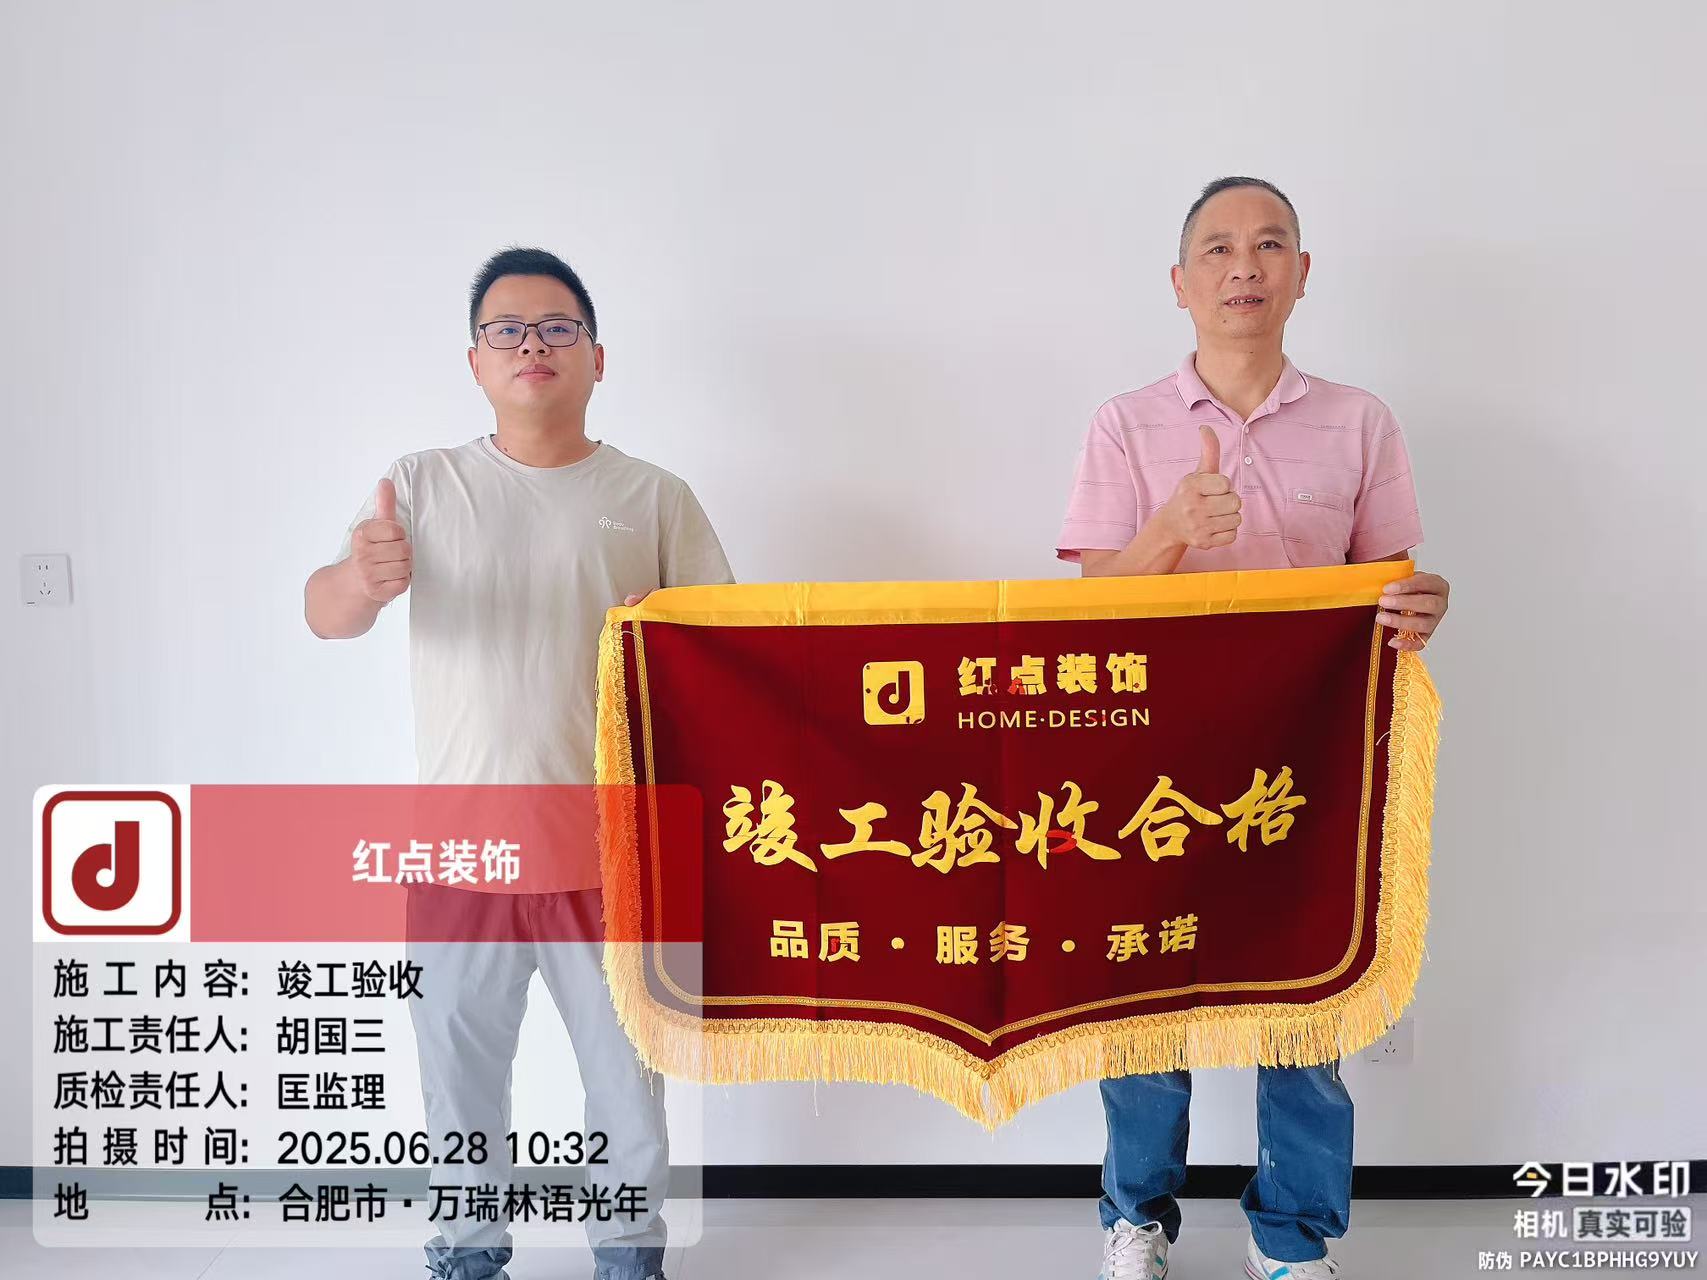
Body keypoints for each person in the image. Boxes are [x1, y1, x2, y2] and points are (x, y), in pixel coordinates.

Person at [304, 246, 733, 1280]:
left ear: (597, 355)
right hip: (461, 852)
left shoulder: (654, 496)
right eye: (506, 329)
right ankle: (466, 1252)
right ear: (475, 360)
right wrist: (362, 578)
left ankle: (629, 1256)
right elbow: (325, 613)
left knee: (626, 1079)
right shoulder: (421, 483)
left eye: (556, 327)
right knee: (458, 1076)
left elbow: (723, 648)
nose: (531, 345)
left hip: (613, 849)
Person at [1055, 177, 1451, 1280]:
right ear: (1179, 283)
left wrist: (1421, 605)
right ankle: (1135, 1218)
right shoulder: (1125, 423)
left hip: (1308, 766)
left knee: (1308, 999)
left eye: (1270, 244)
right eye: (1219, 248)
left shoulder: (1359, 421)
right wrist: (1169, 531)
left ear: (1302, 274)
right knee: (1142, 992)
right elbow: (1085, 613)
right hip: (1150, 763)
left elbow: (1388, 589)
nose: (1245, 266)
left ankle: (1292, 1235)